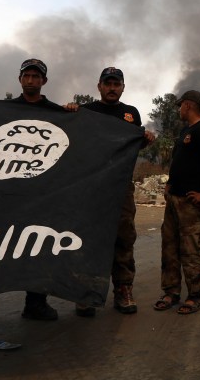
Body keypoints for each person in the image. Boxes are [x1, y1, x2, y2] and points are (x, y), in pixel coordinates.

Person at [0, 58, 69, 328]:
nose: (31, 80)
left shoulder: (58, 113)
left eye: (36, 76)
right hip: (3, 194)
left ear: (44, 81)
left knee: (38, 247)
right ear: (20, 79)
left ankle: (36, 303)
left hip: (40, 195)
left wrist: (75, 113)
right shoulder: (3, 110)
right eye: (26, 76)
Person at [75, 66, 155, 317]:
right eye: (107, 83)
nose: (111, 88)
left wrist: (144, 140)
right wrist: (68, 113)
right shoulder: (86, 111)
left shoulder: (131, 114)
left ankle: (123, 289)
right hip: (92, 188)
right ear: (99, 86)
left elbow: (132, 147)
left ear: (122, 87)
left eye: (116, 84)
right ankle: (86, 293)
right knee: (89, 241)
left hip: (121, 187)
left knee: (123, 238)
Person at [154, 90, 200, 315]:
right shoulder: (185, 131)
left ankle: (195, 295)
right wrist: (170, 183)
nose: (179, 109)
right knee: (170, 247)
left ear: (189, 106)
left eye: (181, 105)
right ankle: (171, 291)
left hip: (190, 203)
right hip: (174, 199)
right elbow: (180, 162)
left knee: (191, 250)